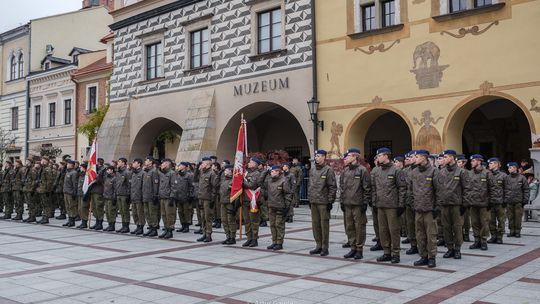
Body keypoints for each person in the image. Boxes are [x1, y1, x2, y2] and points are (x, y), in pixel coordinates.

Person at [371, 148, 405, 263]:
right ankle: (386, 252)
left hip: (392, 206)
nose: (378, 158)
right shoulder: (377, 171)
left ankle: (395, 253)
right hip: (380, 205)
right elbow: (374, 188)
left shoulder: (396, 170)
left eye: (379, 155)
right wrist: (374, 203)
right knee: (383, 230)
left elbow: (402, 188)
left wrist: (401, 205)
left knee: (393, 230)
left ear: (386, 156)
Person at [409, 150, 439, 268]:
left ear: (424, 157)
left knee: (431, 234)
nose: (415, 159)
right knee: (420, 234)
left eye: (417, 157)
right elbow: (410, 190)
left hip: (429, 209)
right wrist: (412, 203)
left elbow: (438, 190)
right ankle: (423, 256)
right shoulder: (414, 172)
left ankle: (432, 257)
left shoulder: (433, 171)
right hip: (418, 208)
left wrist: (437, 207)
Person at [436, 150, 468, 259]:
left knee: (457, 227)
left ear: (452, 157)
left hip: (456, 204)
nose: (443, 159)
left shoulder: (461, 172)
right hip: (444, 204)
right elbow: (438, 189)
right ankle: (449, 248)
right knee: (446, 227)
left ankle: (457, 249)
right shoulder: (441, 172)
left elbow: (466, 189)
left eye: (445, 157)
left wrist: (464, 204)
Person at [341, 148, 372, 260]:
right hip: (348, 203)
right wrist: (342, 201)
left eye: (349, 156)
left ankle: (359, 249)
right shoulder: (345, 171)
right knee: (350, 227)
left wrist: (365, 202)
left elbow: (367, 188)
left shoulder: (362, 170)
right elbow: (342, 188)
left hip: (358, 204)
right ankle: (352, 248)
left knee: (359, 227)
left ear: (355, 157)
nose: (347, 158)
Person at [308, 150, 337, 257]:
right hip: (314, 201)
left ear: (324, 157)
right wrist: (309, 199)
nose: (316, 158)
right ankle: (318, 245)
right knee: (315, 225)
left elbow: (332, 187)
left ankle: (325, 247)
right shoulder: (312, 170)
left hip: (323, 202)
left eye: (318, 156)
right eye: (315, 156)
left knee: (324, 225)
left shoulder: (328, 170)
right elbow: (310, 186)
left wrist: (330, 201)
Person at [467, 154, 494, 251]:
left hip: (484, 203)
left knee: (484, 223)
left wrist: (490, 202)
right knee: (474, 223)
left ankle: (483, 241)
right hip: (473, 203)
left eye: (473, 161)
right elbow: (467, 189)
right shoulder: (469, 173)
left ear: (479, 161)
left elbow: (492, 189)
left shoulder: (487, 173)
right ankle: (476, 240)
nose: (471, 163)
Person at [265, 165, 292, 250]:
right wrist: (265, 171)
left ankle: (279, 242)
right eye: (271, 172)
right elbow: (260, 182)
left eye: (273, 171)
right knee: (272, 225)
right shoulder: (269, 181)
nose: (272, 173)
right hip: (271, 205)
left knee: (279, 225)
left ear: (278, 172)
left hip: (280, 206)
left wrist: (287, 207)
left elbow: (288, 194)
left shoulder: (284, 180)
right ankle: (274, 242)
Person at [242, 157, 263, 247]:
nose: (249, 163)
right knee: (247, 221)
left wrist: (242, 182)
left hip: (253, 201)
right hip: (245, 200)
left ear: (255, 164)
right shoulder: (247, 173)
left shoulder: (257, 174)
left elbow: (252, 186)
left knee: (253, 221)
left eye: (251, 162)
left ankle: (254, 239)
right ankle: (249, 238)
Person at [505, 162, 530, 238]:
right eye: (508, 168)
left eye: (510, 168)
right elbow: (504, 189)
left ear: (515, 168)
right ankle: (511, 231)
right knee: (510, 217)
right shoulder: (507, 178)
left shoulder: (522, 178)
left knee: (518, 217)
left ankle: (517, 232)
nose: (509, 169)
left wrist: (525, 200)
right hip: (509, 201)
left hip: (518, 201)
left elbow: (526, 189)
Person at [487, 157, 507, 244]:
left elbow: (508, 189)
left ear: (496, 164)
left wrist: (505, 201)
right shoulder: (487, 175)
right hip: (490, 202)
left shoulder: (503, 176)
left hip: (500, 202)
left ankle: (500, 237)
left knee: (501, 220)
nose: (489, 165)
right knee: (491, 221)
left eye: (491, 163)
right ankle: (493, 236)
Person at [197, 157, 218, 242]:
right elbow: (195, 179)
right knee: (202, 217)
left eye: (203, 163)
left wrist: (212, 199)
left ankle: (209, 234)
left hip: (208, 199)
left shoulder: (212, 173)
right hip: (201, 197)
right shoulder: (202, 172)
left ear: (208, 164)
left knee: (207, 217)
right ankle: (204, 233)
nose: (202, 164)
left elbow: (214, 187)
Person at [402, 151, 419, 255]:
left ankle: (422, 244)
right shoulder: (405, 171)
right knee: (410, 224)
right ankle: (413, 245)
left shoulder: (420, 170)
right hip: (408, 202)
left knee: (419, 226)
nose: (411, 158)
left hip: (419, 202)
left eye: (413, 157)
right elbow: (403, 186)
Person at [172, 162, 194, 233]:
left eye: (180, 165)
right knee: (180, 212)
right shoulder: (177, 174)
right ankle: (183, 225)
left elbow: (192, 186)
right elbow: (175, 185)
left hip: (186, 197)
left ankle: (187, 226)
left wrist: (190, 195)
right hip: (179, 197)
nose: (179, 166)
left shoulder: (189, 175)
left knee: (186, 212)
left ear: (184, 167)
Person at [219, 164, 237, 244]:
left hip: (230, 203)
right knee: (224, 220)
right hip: (223, 202)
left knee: (231, 221)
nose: (225, 172)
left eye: (226, 170)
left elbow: (236, 193)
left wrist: (235, 205)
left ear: (231, 171)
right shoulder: (223, 180)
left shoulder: (233, 180)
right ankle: (228, 236)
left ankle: (232, 237)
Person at [142, 157, 160, 236]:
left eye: (146, 160)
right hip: (145, 195)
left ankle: (154, 229)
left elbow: (155, 184)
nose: (145, 161)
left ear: (151, 162)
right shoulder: (146, 171)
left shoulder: (154, 171)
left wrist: (155, 195)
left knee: (153, 213)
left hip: (151, 196)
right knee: (147, 213)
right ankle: (150, 227)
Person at [158, 159, 175, 239]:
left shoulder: (172, 173)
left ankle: (170, 230)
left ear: (168, 164)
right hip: (162, 197)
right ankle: (166, 229)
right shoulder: (162, 173)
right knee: (164, 215)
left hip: (168, 198)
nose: (162, 164)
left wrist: (172, 196)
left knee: (169, 215)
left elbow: (174, 186)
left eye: (164, 163)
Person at [115, 157, 131, 233]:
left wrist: (128, 195)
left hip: (124, 195)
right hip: (119, 194)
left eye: (120, 162)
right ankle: (123, 225)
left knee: (125, 211)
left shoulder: (127, 172)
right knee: (121, 211)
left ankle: (126, 226)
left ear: (124, 163)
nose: (118, 163)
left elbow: (129, 184)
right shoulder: (118, 172)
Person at [36, 157, 54, 224]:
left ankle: (46, 218)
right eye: (42, 160)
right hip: (41, 189)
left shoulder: (47, 169)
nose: (42, 162)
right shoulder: (42, 169)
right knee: (43, 204)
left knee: (46, 204)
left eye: (44, 161)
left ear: (47, 162)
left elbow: (49, 181)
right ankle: (44, 217)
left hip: (45, 190)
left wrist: (47, 190)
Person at [129, 159, 145, 235]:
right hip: (133, 196)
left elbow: (144, 186)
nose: (133, 164)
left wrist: (142, 196)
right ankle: (137, 226)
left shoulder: (142, 173)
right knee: (134, 213)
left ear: (139, 164)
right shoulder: (133, 173)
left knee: (140, 213)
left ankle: (141, 227)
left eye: (134, 163)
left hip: (139, 196)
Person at [62, 160, 79, 227]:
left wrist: (74, 192)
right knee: (68, 207)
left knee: (72, 207)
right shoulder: (67, 172)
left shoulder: (74, 173)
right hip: (66, 192)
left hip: (70, 193)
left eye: (68, 164)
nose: (67, 165)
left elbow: (75, 183)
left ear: (72, 165)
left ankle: (72, 221)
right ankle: (69, 219)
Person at [103, 165, 117, 231]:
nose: (107, 171)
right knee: (107, 212)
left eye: (108, 170)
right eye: (107, 170)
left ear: (112, 170)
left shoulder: (114, 178)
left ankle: (112, 225)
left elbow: (115, 189)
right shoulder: (106, 177)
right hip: (106, 197)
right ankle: (109, 224)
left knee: (111, 212)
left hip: (111, 198)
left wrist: (114, 198)